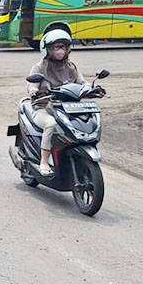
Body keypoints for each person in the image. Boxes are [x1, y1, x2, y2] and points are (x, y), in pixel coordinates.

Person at [26, 29, 87, 176]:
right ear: (47, 49)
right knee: (51, 124)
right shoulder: (40, 67)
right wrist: (34, 91)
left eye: (63, 47)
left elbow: (82, 82)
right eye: (56, 47)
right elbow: (31, 84)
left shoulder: (70, 66)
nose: (60, 50)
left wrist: (92, 88)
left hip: (66, 107)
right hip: (42, 107)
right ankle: (44, 162)